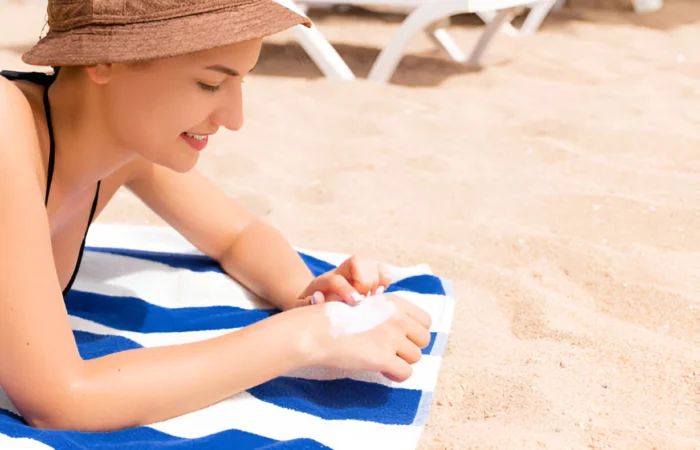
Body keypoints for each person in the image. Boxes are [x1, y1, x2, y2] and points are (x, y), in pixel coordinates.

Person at [0, 0, 432, 433]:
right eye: (210, 84)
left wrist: (308, 294)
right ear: (102, 58)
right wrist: (308, 335)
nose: (235, 118)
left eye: (240, 81)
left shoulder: (115, 145)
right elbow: (61, 399)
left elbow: (237, 235)